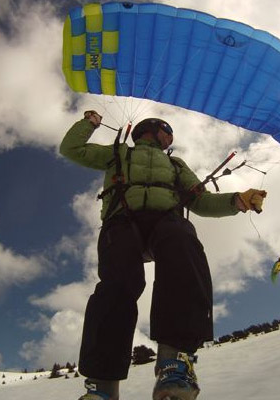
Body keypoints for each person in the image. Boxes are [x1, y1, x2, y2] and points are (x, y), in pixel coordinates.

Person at [60, 110, 267, 400]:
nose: (170, 138)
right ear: (153, 130)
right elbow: (72, 149)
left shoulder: (175, 164)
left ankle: (176, 362)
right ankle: (101, 387)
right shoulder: (119, 153)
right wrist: (89, 124)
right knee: (117, 286)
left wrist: (237, 201)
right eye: (167, 132)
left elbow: (200, 201)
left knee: (184, 245)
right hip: (122, 221)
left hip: (165, 221)